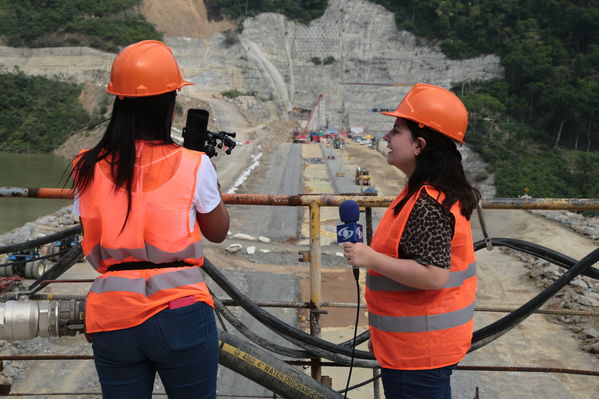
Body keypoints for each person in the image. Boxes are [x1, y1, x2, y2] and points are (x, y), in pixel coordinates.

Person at [71, 40, 229, 399]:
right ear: (169, 105)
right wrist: (211, 180)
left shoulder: (86, 165)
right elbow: (218, 232)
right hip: (181, 310)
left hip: (112, 312)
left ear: (118, 102)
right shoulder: (193, 164)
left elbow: (90, 233)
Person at [343, 84, 479, 399]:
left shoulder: (428, 202)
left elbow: (434, 275)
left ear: (419, 145)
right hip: (419, 349)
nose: (387, 138)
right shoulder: (426, 193)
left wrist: (369, 258)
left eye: (396, 130)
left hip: (417, 356)